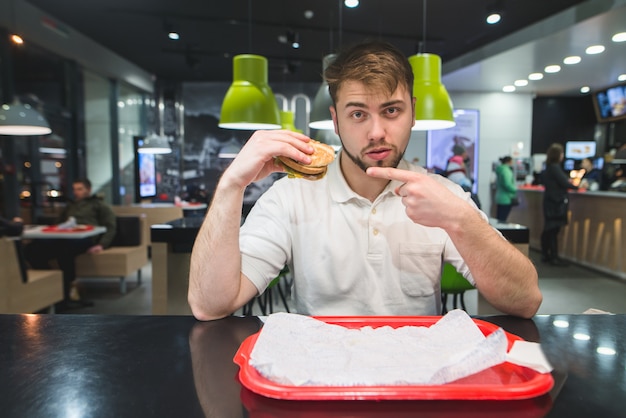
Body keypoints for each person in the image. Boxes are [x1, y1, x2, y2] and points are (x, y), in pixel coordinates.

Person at [188, 40, 541, 320]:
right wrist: (232, 184)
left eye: (391, 110)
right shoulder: (290, 196)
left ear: (413, 113)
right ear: (336, 120)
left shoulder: (442, 196)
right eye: (358, 113)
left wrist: (461, 220)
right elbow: (210, 305)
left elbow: (525, 302)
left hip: (415, 381)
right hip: (318, 382)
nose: (376, 132)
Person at [24, 178, 117, 308]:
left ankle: (66, 295)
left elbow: (110, 227)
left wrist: (101, 245)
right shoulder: (70, 206)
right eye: (74, 189)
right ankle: (51, 286)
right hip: (65, 237)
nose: (76, 192)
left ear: (88, 190)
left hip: (86, 239)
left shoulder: (99, 205)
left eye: (80, 189)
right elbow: (58, 225)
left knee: (65, 252)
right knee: (32, 249)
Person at [540, 143, 578, 266]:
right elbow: (565, 183)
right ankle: (553, 256)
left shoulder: (548, 168)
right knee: (552, 230)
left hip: (550, 202)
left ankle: (546, 254)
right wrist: (576, 186)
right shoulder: (555, 168)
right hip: (555, 204)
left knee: (549, 230)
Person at [494, 156, 518, 223]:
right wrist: (515, 190)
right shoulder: (506, 171)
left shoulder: (500, 169)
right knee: (503, 220)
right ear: (509, 161)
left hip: (499, 197)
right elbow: (507, 184)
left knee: (499, 219)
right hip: (506, 198)